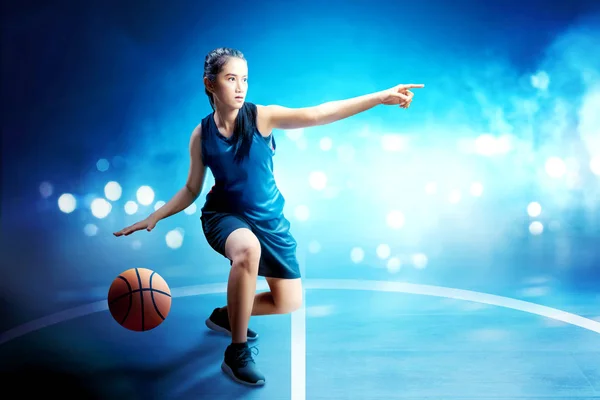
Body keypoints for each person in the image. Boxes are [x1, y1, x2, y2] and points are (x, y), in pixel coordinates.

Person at [114, 47, 423, 386]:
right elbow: (191, 189)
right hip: (224, 216)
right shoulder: (201, 136)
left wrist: (380, 97)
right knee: (247, 250)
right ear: (210, 84)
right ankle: (237, 351)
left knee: (287, 302)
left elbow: (319, 114)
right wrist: (155, 216)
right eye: (230, 78)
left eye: (244, 79)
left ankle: (227, 315)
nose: (240, 87)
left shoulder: (262, 117)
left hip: (270, 220)